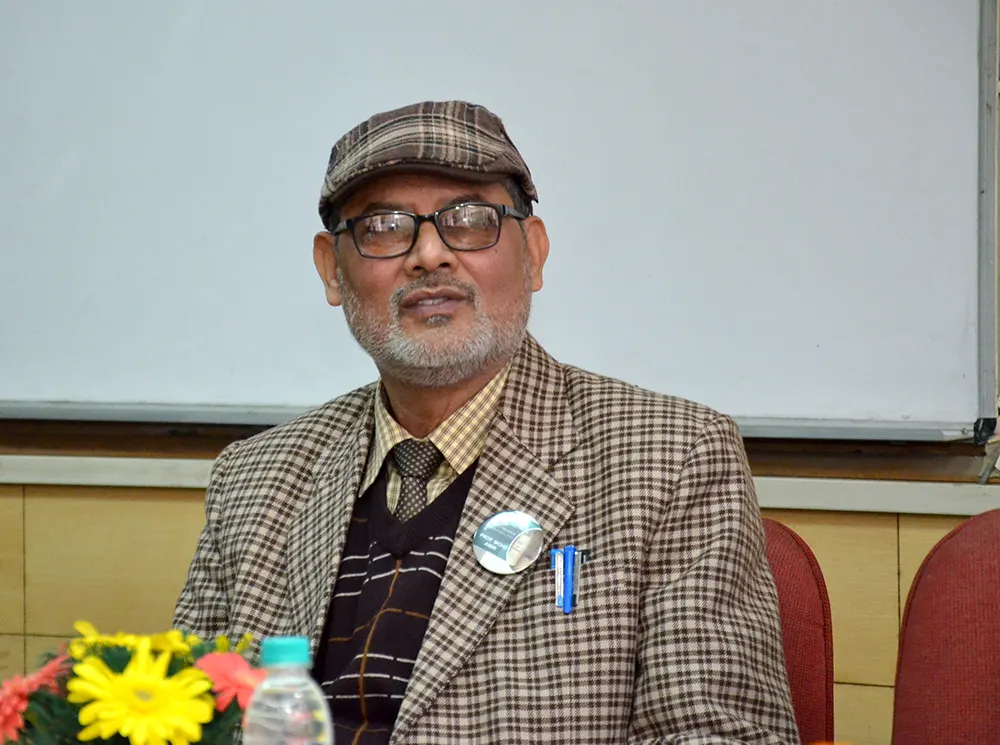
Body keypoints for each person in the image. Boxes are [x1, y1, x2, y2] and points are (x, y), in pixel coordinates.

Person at [174, 100, 800, 744]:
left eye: (470, 220)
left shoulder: (671, 457)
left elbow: (718, 734)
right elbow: (181, 721)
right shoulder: (254, 478)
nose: (429, 255)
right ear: (333, 270)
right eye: (385, 227)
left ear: (534, 252)